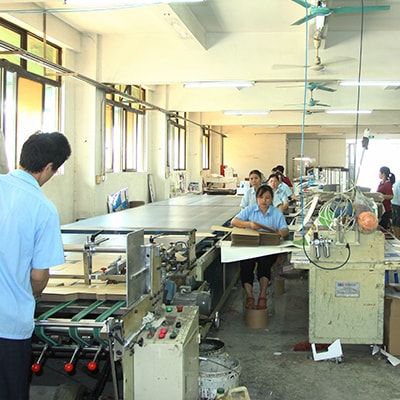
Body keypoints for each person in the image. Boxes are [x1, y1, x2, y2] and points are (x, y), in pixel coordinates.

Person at [0, 132, 71, 400]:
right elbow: (39, 276)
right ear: (49, 167)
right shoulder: (43, 208)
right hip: (9, 327)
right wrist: (30, 294)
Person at [231, 184, 289, 310]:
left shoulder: (276, 213)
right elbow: (234, 221)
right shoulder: (250, 210)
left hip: (267, 249)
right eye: (261, 197)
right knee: (246, 265)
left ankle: (262, 295)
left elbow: (285, 230)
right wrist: (249, 224)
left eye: (267, 198)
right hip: (251, 248)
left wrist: (280, 232)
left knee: (265, 264)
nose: (264, 201)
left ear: (272, 199)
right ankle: (250, 296)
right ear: (257, 198)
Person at [377, 166, 395, 230]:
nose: (378, 174)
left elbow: (391, 196)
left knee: (383, 228)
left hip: (386, 209)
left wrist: (381, 196)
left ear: (383, 174)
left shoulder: (387, 184)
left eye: (379, 172)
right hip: (381, 208)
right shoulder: (381, 183)